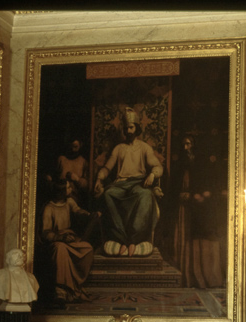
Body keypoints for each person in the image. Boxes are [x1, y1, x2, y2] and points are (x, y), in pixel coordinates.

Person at [94, 107, 164, 257]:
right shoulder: (119, 148)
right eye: (126, 128)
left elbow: (158, 166)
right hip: (120, 185)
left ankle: (134, 240)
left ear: (137, 128)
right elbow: (107, 168)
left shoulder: (145, 147)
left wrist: (152, 174)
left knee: (145, 195)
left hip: (138, 184)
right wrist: (99, 178)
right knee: (108, 194)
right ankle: (121, 239)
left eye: (131, 127)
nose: (129, 131)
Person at [172, 134, 226, 288]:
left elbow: (206, 186)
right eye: (183, 145)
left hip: (199, 210)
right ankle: (185, 278)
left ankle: (200, 277)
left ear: (193, 146)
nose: (185, 148)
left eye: (188, 144)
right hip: (183, 210)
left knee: (200, 241)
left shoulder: (201, 164)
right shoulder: (180, 165)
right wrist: (180, 195)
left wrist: (194, 195)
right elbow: (174, 187)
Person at [41, 179, 99, 304]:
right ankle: (61, 291)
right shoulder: (49, 208)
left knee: (87, 248)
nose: (71, 189)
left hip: (70, 238)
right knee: (60, 249)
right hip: (57, 241)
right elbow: (46, 232)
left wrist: (89, 215)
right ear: (61, 191)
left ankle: (76, 284)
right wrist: (60, 238)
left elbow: (78, 210)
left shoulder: (69, 202)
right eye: (68, 188)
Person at [51, 137, 90, 206]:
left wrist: (77, 179)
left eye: (75, 147)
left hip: (75, 200)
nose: (72, 149)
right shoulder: (61, 159)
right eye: (71, 146)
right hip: (59, 199)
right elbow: (54, 178)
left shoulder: (83, 162)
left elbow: (86, 186)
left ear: (80, 146)